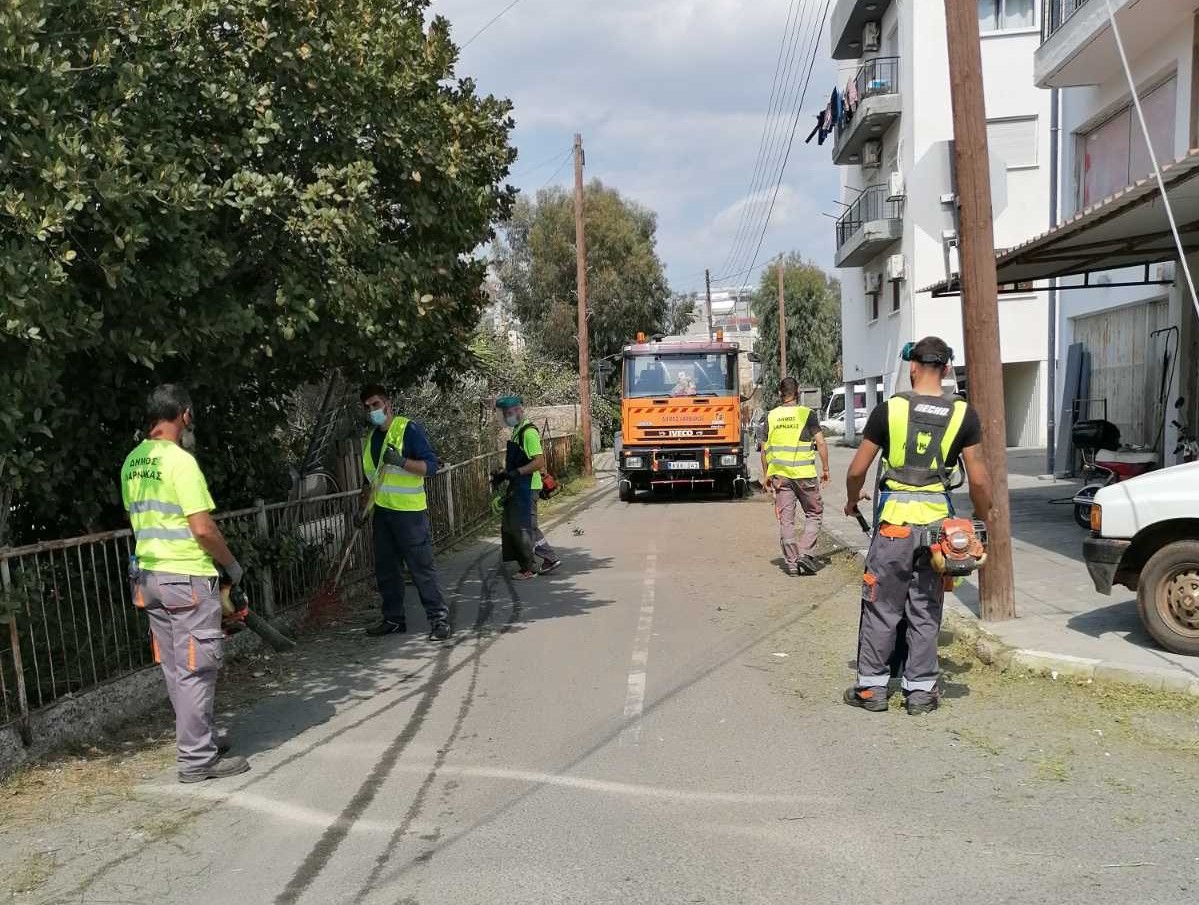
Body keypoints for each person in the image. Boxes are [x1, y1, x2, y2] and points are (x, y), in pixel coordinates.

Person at [842, 337, 992, 716]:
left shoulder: (888, 411)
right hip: (939, 535)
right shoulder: (964, 415)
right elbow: (979, 480)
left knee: (881, 608)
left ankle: (872, 690)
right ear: (945, 370)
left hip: (893, 529)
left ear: (913, 368)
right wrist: (983, 515)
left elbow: (858, 469)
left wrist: (850, 498)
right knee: (926, 609)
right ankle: (920, 694)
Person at [121, 384, 250, 783]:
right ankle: (197, 760)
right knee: (197, 668)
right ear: (185, 415)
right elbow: (202, 529)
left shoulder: (132, 463)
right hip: (186, 579)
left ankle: (202, 737)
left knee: (178, 668)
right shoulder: (180, 462)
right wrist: (231, 565)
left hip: (149, 580)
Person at [359, 384, 451, 641]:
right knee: (387, 570)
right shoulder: (371, 439)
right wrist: (363, 510)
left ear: (387, 404)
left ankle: (439, 620)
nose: (372, 411)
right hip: (383, 514)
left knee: (421, 569)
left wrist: (401, 461)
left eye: (375, 404)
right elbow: (370, 480)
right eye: (367, 408)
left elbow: (431, 467)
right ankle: (393, 619)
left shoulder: (408, 430)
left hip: (410, 515)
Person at [760, 377, 830, 576]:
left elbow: (764, 449)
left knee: (787, 520)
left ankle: (791, 564)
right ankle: (805, 553)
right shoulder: (806, 414)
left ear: (780, 394)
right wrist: (826, 469)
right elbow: (821, 443)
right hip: (805, 476)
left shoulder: (770, 416)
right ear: (797, 392)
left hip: (781, 478)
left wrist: (766, 474)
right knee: (814, 513)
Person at [492, 396, 559, 578]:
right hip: (520, 485)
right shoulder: (517, 430)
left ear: (518, 411)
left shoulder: (528, 432)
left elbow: (538, 462)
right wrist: (505, 474)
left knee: (524, 528)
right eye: (504, 414)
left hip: (528, 486)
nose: (506, 417)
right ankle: (538, 561)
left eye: (509, 413)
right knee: (517, 526)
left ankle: (535, 565)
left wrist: (516, 472)